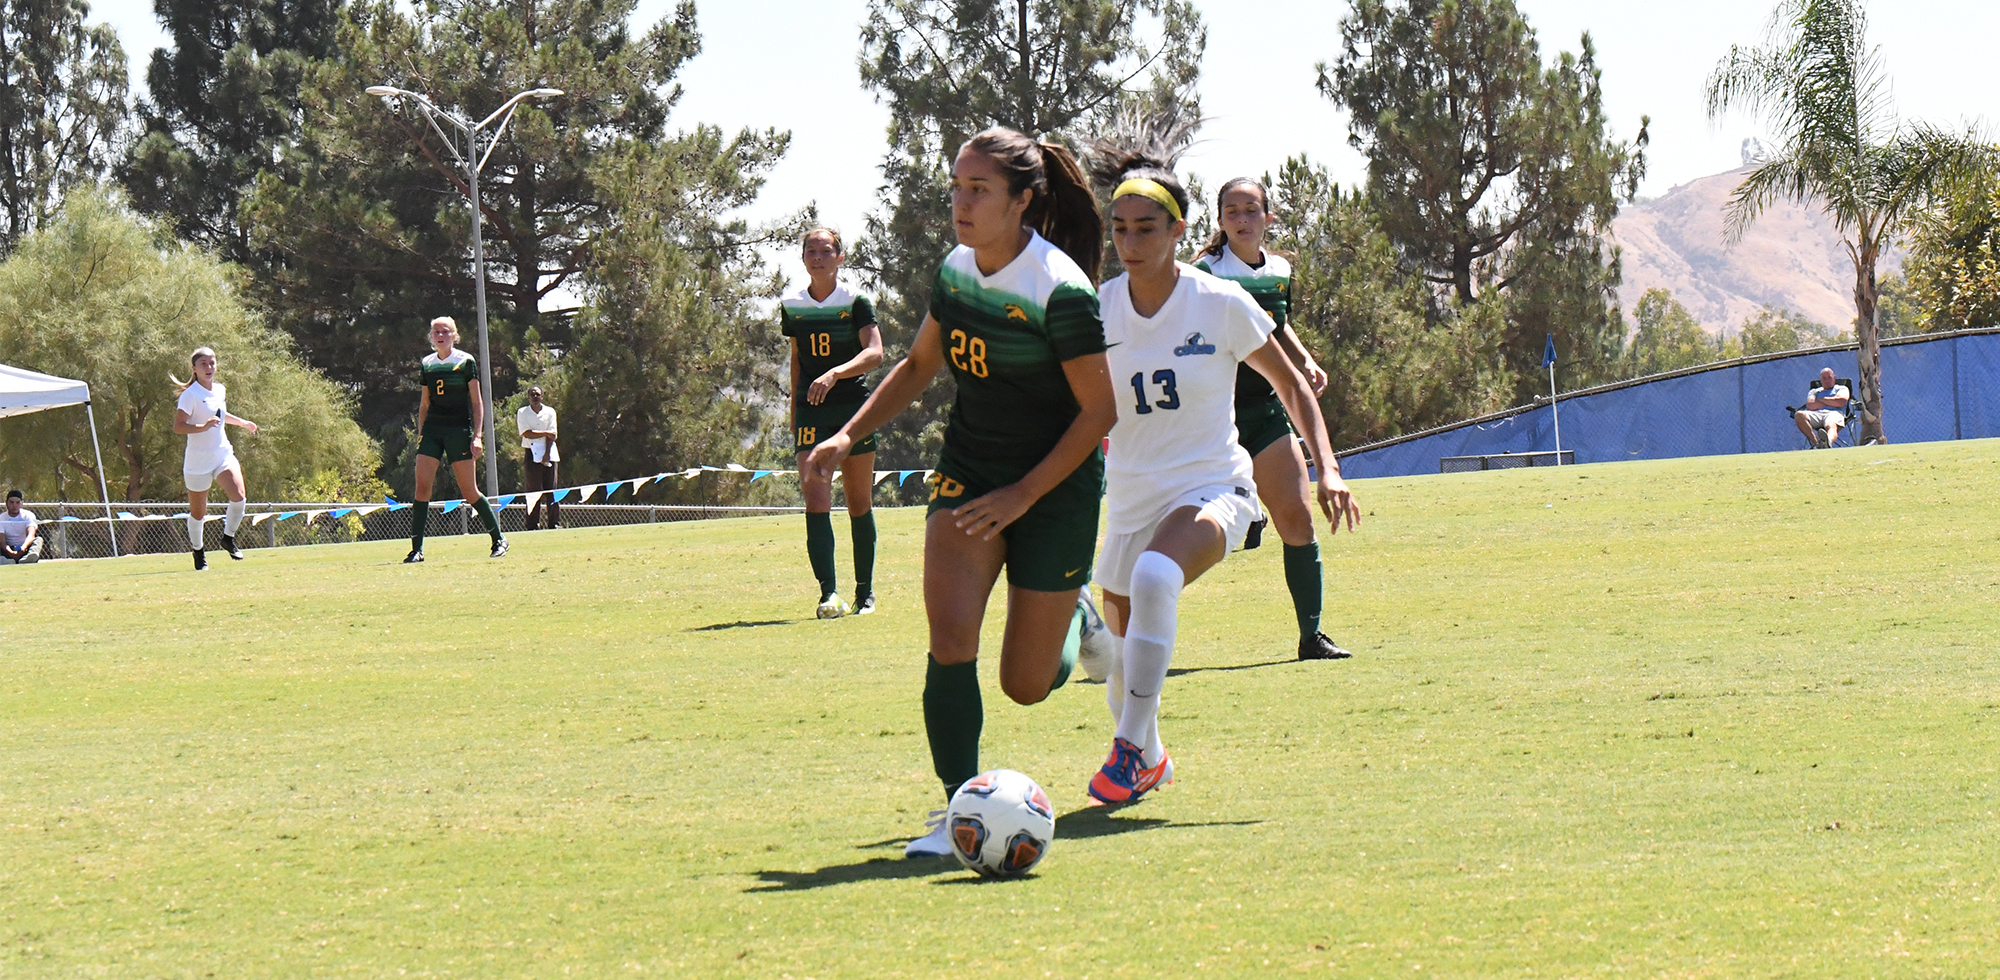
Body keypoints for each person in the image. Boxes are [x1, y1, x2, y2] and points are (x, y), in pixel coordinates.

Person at [803, 127, 1115, 857]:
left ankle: (1079, 617)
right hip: (970, 473)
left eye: (979, 189)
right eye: (956, 187)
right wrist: (848, 435)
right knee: (950, 644)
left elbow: (1099, 413)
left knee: (1026, 686)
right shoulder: (955, 270)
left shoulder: (1059, 289)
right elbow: (916, 365)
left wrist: (1024, 497)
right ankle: (958, 814)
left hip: (1057, 488)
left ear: (1023, 200)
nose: (961, 203)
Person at [1086, 157, 1360, 805]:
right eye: (1120, 229)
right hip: (1129, 503)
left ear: (1179, 230)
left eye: (1147, 228)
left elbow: (1290, 383)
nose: (1131, 243)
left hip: (1214, 490)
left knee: (1157, 578)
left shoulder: (1218, 302)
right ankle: (1148, 755)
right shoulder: (1098, 309)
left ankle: (1126, 753)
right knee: (1122, 666)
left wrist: (1328, 467)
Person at [1195, 177, 1356, 661]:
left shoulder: (1281, 269)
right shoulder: (1204, 272)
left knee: (1297, 518)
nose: (1242, 219)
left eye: (1251, 210)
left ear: (1268, 217)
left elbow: (1276, 323)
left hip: (1264, 412)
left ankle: (1312, 637)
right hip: (1210, 416)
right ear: (1220, 220)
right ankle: (1126, 638)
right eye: (1232, 211)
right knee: (1177, 527)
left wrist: (1303, 358)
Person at [783, 228, 886, 618]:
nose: (818, 257)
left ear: (840, 257)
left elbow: (875, 353)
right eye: (811, 250)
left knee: (859, 502)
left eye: (826, 251)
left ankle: (866, 594)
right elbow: (797, 358)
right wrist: (795, 411)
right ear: (803, 257)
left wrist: (835, 373)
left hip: (852, 410)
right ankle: (829, 595)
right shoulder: (791, 304)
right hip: (812, 411)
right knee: (816, 500)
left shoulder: (856, 301)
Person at [406, 316, 507, 562]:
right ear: (431, 337)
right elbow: (425, 403)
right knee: (422, 489)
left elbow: (476, 401)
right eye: (436, 332)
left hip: (458, 430)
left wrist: (478, 436)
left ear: (454, 335)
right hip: (432, 431)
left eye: (445, 331)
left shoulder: (465, 361)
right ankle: (417, 550)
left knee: (469, 491)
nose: (440, 335)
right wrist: (421, 435)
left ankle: (499, 539)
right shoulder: (427, 363)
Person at [171, 347, 259, 570]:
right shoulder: (190, 396)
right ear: (194, 369)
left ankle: (227, 537)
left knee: (239, 497)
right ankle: (198, 552)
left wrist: (242, 422)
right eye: (203, 364)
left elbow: (220, 414)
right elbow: (178, 427)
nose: (209, 368)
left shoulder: (219, 390)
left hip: (221, 454)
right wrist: (202, 426)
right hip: (197, 462)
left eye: (212, 363)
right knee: (198, 513)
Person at [517, 386, 561, 530]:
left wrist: (547, 454)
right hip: (531, 452)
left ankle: (554, 523)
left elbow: (553, 435)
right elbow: (526, 433)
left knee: (551, 491)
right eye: (532, 394)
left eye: (538, 394)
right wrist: (545, 432)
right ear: (528, 396)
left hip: (549, 451)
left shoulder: (550, 412)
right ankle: (532, 524)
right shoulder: (523, 412)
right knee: (533, 490)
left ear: (542, 396)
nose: (535, 397)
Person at [1795, 367, 1850, 448]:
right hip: (1817, 414)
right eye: (1824, 378)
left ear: (1834, 377)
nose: (1827, 380)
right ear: (1820, 380)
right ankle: (1818, 444)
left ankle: (1828, 442)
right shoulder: (1814, 391)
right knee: (1799, 415)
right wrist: (1832, 401)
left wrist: (1821, 400)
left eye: (1829, 377)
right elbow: (1810, 405)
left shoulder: (1841, 388)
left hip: (1834, 413)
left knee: (1831, 425)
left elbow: (1841, 401)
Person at [0, 490, 40, 565]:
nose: (14, 505)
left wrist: (23, 547)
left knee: (38, 540)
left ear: (22, 503)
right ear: (6, 503)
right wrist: (10, 552)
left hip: (25, 547)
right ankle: (5, 561)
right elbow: (2, 541)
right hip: (7, 549)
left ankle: (29, 558)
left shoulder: (28, 515)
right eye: (11, 502)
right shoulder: (1, 518)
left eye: (17, 502)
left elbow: (31, 534)